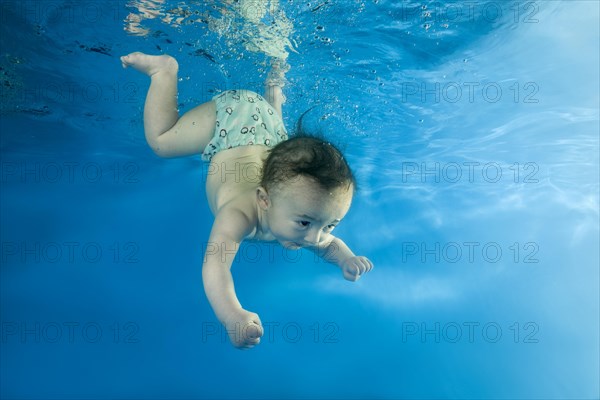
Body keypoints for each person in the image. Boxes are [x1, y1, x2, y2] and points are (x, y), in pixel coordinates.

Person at [120, 52, 374, 349]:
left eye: (330, 224)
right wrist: (233, 315)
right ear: (263, 200)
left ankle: (273, 94)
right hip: (232, 121)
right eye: (306, 222)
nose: (315, 237)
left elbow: (328, 245)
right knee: (162, 142)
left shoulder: (300, 211)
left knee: (286, 158)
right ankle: (163, 72)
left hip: (269, 134)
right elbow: (215, 266)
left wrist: (346, 259)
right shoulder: (238, 215)